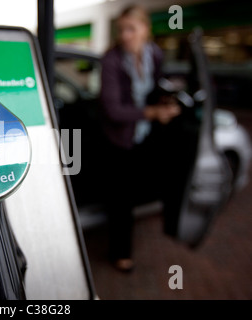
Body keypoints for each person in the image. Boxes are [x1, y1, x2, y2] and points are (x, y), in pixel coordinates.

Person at [99, 5, 181, 272]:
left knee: (153, 180)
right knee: (120, 199)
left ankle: (172, 223)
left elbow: (157, 87)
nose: (125, 35)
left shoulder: (154, 54)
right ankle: (120, 253)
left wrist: (167, 103)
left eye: (131, 29)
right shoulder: (111, 60)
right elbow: (113, 110)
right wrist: (153, 113)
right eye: (121, 29)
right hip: (119, 138)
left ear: (146, 29)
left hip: (145, 133)